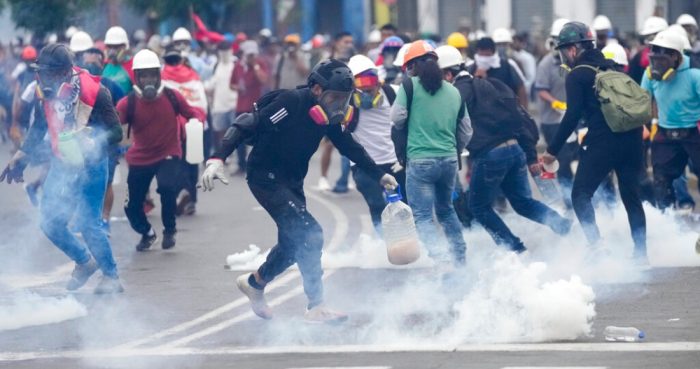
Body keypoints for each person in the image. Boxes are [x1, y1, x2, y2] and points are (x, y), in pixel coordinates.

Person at [201, 59, 398, 322]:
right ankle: (316, 305)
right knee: (311, 233)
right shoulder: (291, 102)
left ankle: (255, 283)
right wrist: (217, 158)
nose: (340, 105)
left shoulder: (329, 115)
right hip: (265, 178)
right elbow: (247, 123)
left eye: (345, 99)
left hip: (292, 181)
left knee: (293, 242)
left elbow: (350, 146)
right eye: (335, 97)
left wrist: (379, 174)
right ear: (317, 89)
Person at [1, 44, 124, 293]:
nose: (44, 78)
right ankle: (84, 262)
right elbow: (39, 129)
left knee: (89, 224)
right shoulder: (44, 93)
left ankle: (112, 277)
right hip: (63, 163)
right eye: (42, 72)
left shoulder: (96, 92)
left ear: (66, 72)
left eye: (50, 73)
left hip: (92, 165)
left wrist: (92, 139)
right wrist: (21, 157)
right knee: (49, 222)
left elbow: (117, 131)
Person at [437, 45, 571, 252]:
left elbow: (446, 124)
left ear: (447, 74)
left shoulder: (456, 93)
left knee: (478, 207)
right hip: (515, 150)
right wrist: (529, 155)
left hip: (491, 155)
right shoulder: (494, 84)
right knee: (523, 202)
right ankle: (564, 227)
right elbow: (522, 119)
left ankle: (514, 249)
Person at [543, 22, 647, 260]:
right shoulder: (611, 66)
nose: (564, 56)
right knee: (631, 196)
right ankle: (641, 255)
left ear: (573, 49)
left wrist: (552, 150)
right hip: (632, 137)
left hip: (604, 139)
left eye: (564, 50)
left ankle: (597, 246)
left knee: (580, 194)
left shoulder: (578, 74)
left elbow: (572, 115)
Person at [390, 41, 471, 265]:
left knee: (423, 216)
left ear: (413, 66)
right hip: (448, 161)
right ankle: (459, 256)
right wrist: (453, 150)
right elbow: (466, 131)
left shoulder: (409, 86)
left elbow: (396, 119)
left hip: (420, 162)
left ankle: (440, 258)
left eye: (408, 67)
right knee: (446, 211)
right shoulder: (453, 91)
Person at [118, 50, 205, 251]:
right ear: (136, 77)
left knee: (167, 188)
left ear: (159, 75)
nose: (148, 79)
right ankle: (147, 233)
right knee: (131, 206)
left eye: (152, 74)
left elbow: (193, 113)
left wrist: (196, 123)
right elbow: (113, 125)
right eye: (143, 75)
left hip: (168, 153)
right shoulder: (128, 103)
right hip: (140, 158)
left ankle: (169, 230)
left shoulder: (172, 96)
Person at [71, 32, 126, 235]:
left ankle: (104, 219)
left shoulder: (110, 86)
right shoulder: (75, 87)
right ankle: (85, 218)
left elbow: (125, 109)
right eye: (87, 60)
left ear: (101, 64)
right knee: (82, 179)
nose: (91, 64)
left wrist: (124, 137)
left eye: (94, 60)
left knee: (107, 182)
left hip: (108, 143)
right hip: (82, 142)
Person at [640, 30, 700, 213]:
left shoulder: (694, 74)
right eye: (654, 57)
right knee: (660, 180)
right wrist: (643, 124)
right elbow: (642, 101)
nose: (657, 62)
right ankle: (668, 220)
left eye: (662, 58)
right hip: (665, 133)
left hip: (693, 132)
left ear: (676, 57)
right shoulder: (650, 75)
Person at [346, 54, 407, 233]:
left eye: (369, 82)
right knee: (377, 205)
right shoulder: (345, 101)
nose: (366, 91)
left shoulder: (393, 93)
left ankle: (411, 242)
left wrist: (404, 157)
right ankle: (384, 245)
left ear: (377, 81)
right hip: (364, 165)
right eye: (360, 86)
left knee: (404, 205)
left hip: (393, 163)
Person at [161, 45, 208, 216]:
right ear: (180, 60)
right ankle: (191, 200)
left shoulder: (163, 77)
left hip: (174, 128)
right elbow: (202, 103)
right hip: (195, 125)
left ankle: (181, 194)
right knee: (193, 163)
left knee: (176, 163)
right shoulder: (193, 76)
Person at [535, 19, 577, 206]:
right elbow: (541, 89)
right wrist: (555, 102)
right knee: (562, 160)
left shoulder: (573, 62)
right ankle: (567, 199)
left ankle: (573, 195)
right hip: (552, 120)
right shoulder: (545, 64)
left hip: (571, 118)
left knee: (574, 157)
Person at [230, 40, 269, 176]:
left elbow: (263, 80)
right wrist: (238, 87)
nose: (251, 57)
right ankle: (241, 164)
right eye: (249, 55)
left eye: (253, 55)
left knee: (258, 137)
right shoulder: (238, 66)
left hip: (256, 106)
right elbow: (232, 84)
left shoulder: (260, 64)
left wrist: (255, 66)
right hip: (241, 105)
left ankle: (257, 165)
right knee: (239, 136)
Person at [468, 37, 528, 108]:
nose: (484, 58)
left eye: (487, 55)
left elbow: (521, 88)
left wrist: (523, 110)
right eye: (481, 54)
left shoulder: (507, 66)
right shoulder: (471, 68)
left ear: (493, 52)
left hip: (505, 110)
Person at [206, 41, 238, 154]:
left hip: (234, 104)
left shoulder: (236, 63)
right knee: (220, 132)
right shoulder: (216, 65)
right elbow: (211, 84)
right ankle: (223, 155)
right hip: (219, 105)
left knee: (236, 132)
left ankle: (237, 157)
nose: (224, 53)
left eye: (226, 51)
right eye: (222, 51)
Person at [629, 16, 669, 84]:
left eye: (654, 35)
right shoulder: (638, 57)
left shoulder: (675, 55)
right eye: (648, 37)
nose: (651, 41)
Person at [102, 26, 134, 94]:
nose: (112, 51)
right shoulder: (105, 65)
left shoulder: (133, 65)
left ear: (125, 47)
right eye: (109, 46)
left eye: (116, 47)